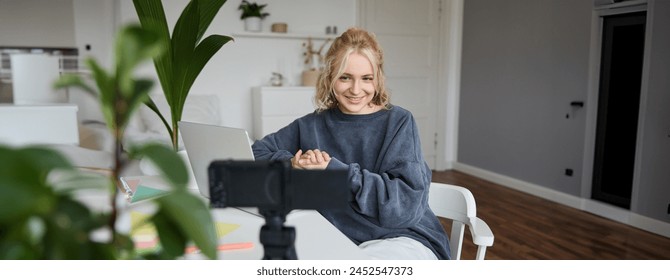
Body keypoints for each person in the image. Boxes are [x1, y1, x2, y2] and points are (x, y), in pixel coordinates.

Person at [252, 27, 450, 260]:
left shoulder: (398, 122)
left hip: (401, 237)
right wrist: (291, 163)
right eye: (345, 77)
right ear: (330, 77)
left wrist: (335, 172)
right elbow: (256, 151)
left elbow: (404, 208)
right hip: (337, 237)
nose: (356, 90)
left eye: (367, 78)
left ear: (378, 79)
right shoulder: (312, 124)